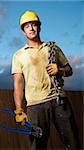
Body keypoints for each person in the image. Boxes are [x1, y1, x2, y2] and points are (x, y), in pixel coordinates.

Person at [11, 10, 79, 150]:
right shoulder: (18, 55)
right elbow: (18, 84)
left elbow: (69, 70)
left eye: (34, 24)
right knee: (37, 146)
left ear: (39, 27)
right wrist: (18, 110)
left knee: (73, 143)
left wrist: (59, 70)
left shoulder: (53, 48)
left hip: (58, 101)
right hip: (35, 107)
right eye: (27, 26)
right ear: (23, 31)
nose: (31, 28)